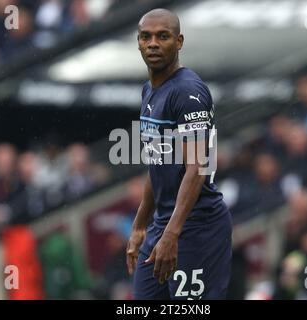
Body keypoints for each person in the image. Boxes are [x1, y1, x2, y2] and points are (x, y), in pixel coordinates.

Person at [126, 8, 232, 300]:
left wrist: (173, 234)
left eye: (163, 36)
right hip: (163, 225)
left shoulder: (187, 92)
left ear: (180, 41)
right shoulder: (149, 90)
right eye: (145, 37)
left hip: (197, 227)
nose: (153, 44)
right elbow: (157, 163)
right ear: (138, 42)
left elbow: (197, 166)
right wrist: (139, 225)